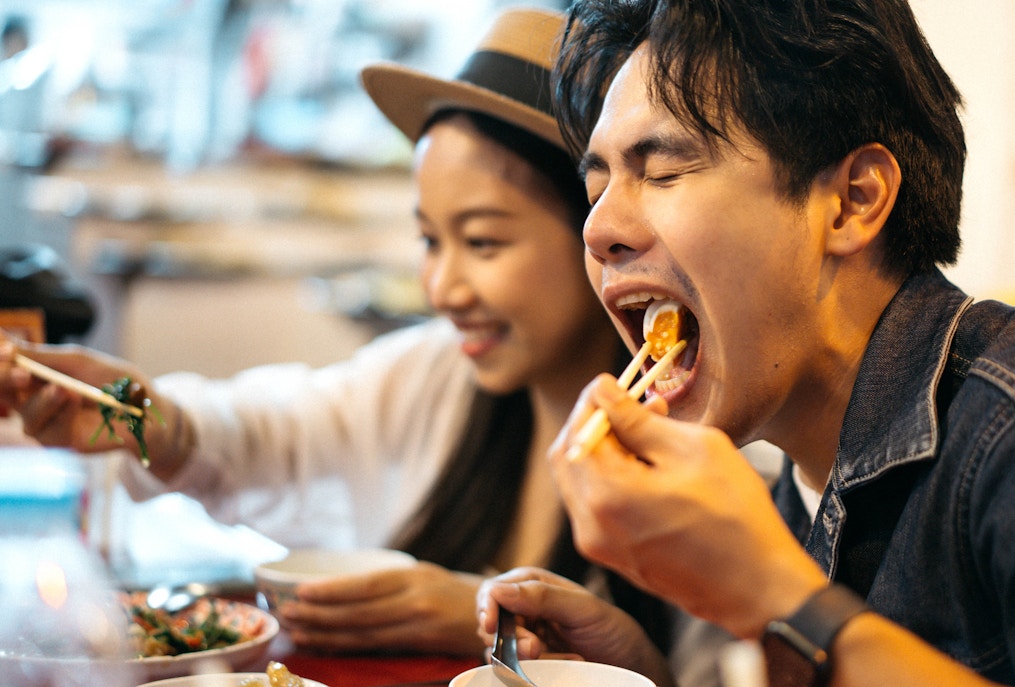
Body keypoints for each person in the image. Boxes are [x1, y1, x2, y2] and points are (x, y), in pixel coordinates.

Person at [474, 1, 1015, 686]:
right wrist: (646, 674)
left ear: (852, 202)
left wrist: (779, 599)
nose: (598, 229)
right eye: (596, 188)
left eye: (663, 170)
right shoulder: (796, 477)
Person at [0, 8, 674, 659]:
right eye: (429, 240)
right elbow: (273, 430)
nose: (443, 288)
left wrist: (481, 616)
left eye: (482, 242)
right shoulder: (435, 376)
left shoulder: (690, 443)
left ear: (598, 232)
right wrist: (147, 417)